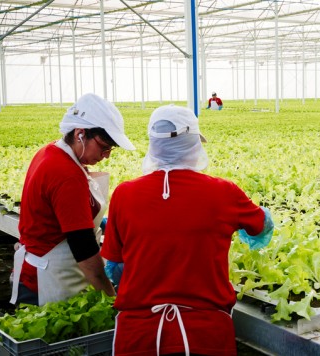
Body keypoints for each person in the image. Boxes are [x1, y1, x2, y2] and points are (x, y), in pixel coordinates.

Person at [101, 104, 273, 356]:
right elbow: (262, 227)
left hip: (139, 335)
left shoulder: (124, 195)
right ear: (194, 143)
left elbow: (115, 267)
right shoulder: (224, 193)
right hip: (204, 335)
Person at [9, 93, 136, 307]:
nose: (107, 155)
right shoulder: (66, 174)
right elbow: (83, 248)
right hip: (45, 283)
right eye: (104, 146)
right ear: (80, 134)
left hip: (38, 271)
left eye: (110, 149)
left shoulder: (50, 151)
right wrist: (110, 296)